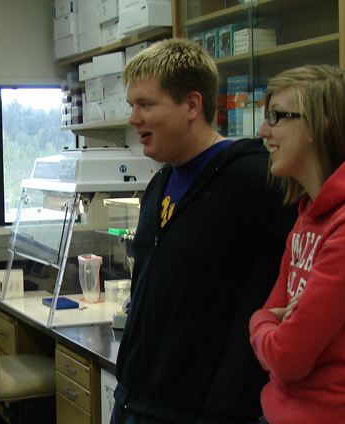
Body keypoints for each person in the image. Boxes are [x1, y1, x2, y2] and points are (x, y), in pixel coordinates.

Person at [111, 38, 297, 424]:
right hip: (136, 399)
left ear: (192, 105)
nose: (133, 118)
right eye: (132, 106)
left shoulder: (256, 179)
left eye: (146, 105)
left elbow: (304, 283)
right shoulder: (160, 183)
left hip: (203, 412)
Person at [249, 65, 345, 424]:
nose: (264, 131)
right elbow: (275, 314)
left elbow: (287, 356)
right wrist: (270, 320)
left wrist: (259, 322)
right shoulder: (310, 212)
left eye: (277, 116)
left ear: (322, 123)